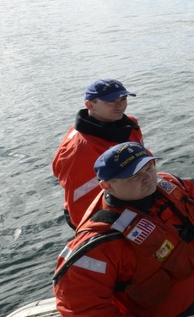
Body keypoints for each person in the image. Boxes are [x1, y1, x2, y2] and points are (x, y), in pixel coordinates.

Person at [53, 142, 194, 317]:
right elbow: (79, 314)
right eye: (134, 176)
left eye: (149, 167)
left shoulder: (170, 185)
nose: (148, 178)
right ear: (106, 186)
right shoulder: (100, 243)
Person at [53, 79, 146, 228]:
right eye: (111, 101)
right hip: (104, 214)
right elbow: (80, 199)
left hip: (133, 195)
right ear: (90, 105)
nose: (120, 105)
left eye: (123, 99)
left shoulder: (130, 124)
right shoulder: (81, 150)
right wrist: (91, 229)